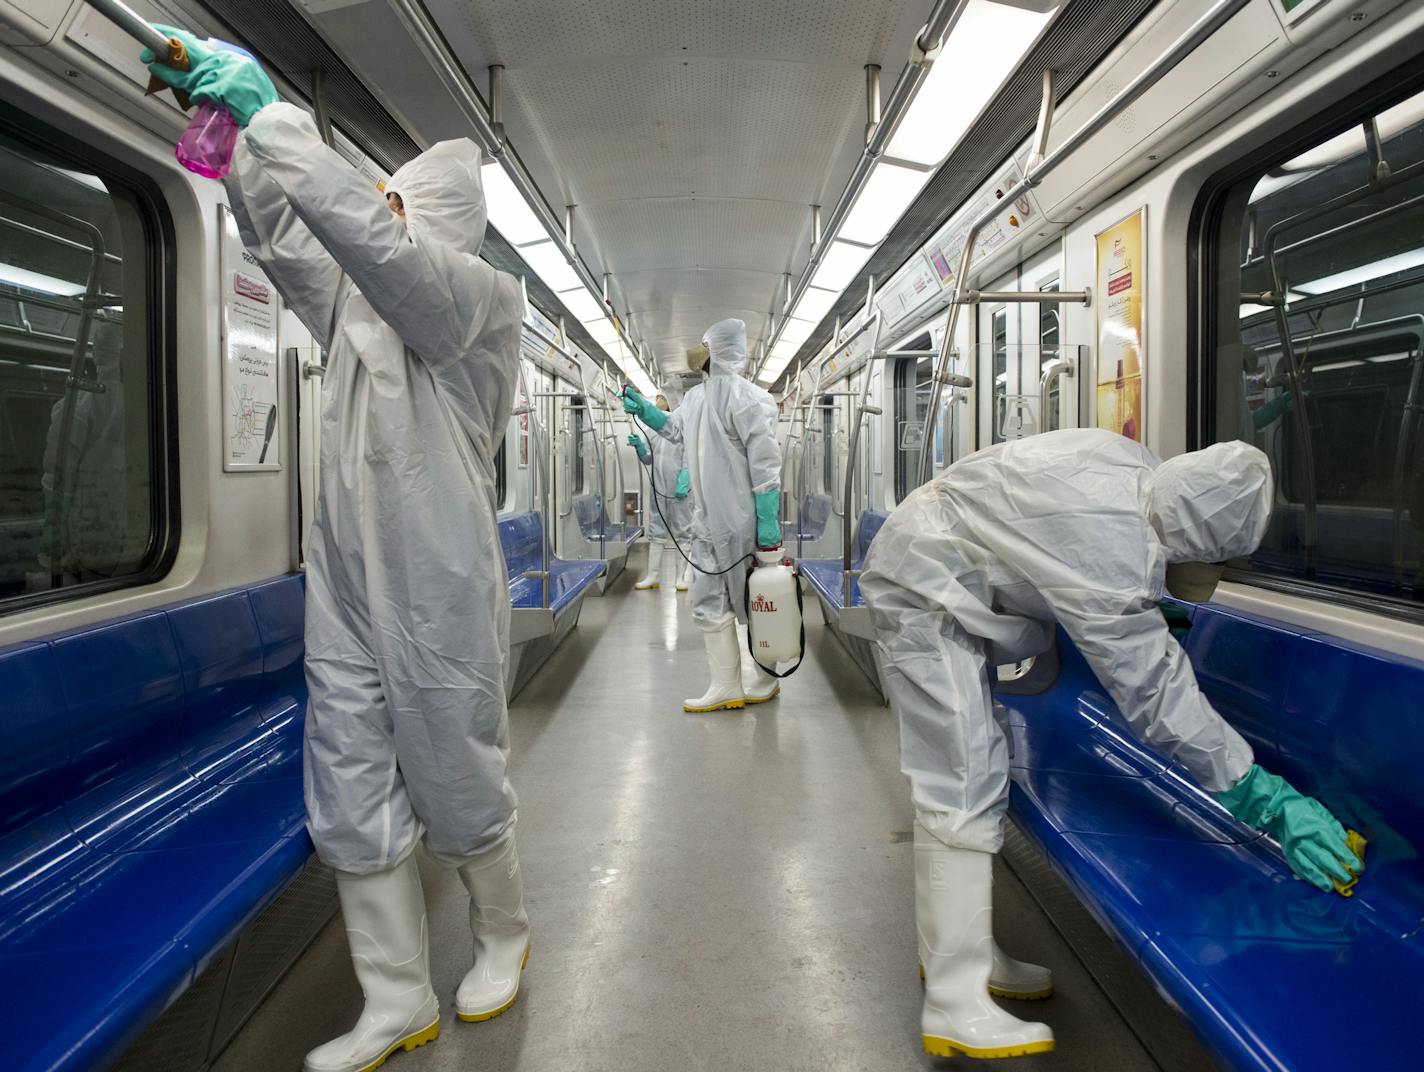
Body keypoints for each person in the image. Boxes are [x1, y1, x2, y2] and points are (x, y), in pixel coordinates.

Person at [144, 29, 531, 1072]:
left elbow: (378, 250)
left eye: (395, 209)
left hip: (439, 578)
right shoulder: (365, 303)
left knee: (454, 763)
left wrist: (278, 115)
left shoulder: (480, 304)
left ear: (433, 222)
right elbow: (285, 239)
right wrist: (234, 148)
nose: (376, 226)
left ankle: (503, 933)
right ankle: (394, 997)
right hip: (350, 576)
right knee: (347, 772)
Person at [860, 429, 1362, 1060]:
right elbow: (1158, 700)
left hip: (937, 561)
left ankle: (962, 954)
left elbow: (1042, 548)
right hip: (924, 589)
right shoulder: (1111, 548)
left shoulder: (1136, 471)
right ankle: (954, 1005)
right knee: (961, 780)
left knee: (971, 772)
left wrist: (1142, 605)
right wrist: (1266, 799)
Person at [624, 319, 783, 711]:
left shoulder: (750, 399)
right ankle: (726, 685)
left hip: (742, 522)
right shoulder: (695, 399)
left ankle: (765, 679)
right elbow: (674, 429)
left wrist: (767, 520)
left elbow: (766, 468)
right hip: (707, 523)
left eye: (704, 345)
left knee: (758, 599)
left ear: (717, 351)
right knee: (709, 599)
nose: (698, 352)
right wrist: (646, 410)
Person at [628, 385, 694, 592]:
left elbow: (691, 454)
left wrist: (686, 477)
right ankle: (653, 576)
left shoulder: (684, 424)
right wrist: (640, 447)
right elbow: (648, 458)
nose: (656, 402)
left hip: (680, 490)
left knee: (683, 533)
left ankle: (680, 578)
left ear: (672, 401)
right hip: (658, 487)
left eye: (660, 398)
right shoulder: (652, 428)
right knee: (656, 532)